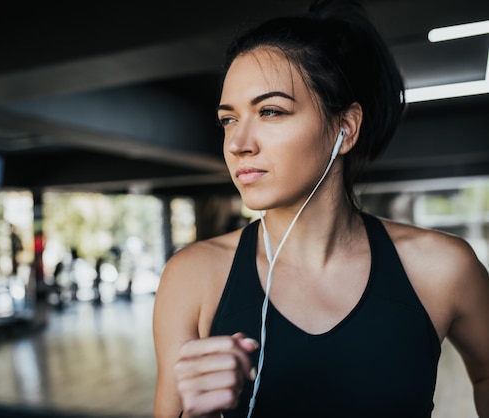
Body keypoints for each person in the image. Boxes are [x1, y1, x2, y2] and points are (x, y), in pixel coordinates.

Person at [152, 1, 489, 417]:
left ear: (344, 129)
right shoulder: (192, 276)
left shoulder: (442, 268)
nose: (238, 143)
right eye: (228, 119)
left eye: (270, 111)